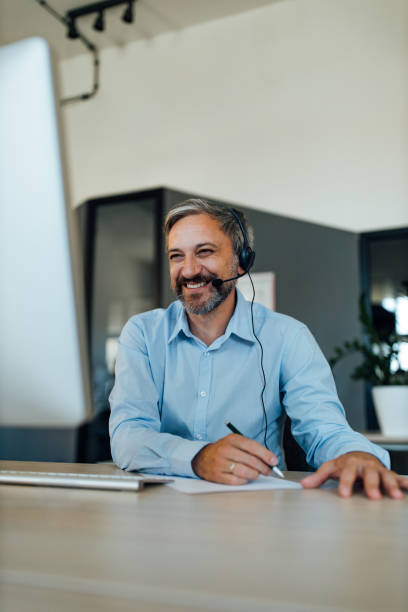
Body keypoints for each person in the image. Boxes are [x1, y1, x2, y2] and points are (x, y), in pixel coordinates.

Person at [109, 199, 408, 500]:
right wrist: (198, 458)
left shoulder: (287, 336)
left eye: (205, 252)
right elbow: (128, 437)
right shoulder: (143, 334)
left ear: (241, 261)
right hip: (158, 508)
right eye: (176, 256)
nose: (188, 270)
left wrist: (356, 454)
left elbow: (324, 427)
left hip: (254, 508)